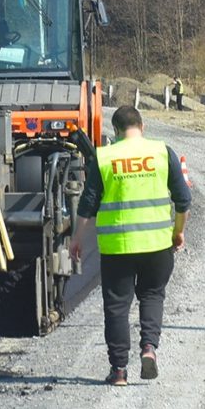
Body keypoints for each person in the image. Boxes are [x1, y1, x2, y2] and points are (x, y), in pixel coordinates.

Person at [70, 106, 192, 386]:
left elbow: (88, 204)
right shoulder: (163, 152)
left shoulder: (104, 156)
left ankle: (119, 371)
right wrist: (178, 232)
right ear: (143, 126)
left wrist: (76, 239)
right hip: (157, 245)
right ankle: (149, 348)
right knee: (151, 295)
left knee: (117, 306)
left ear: (115, 131)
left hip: (118, 247)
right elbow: (183, 200)